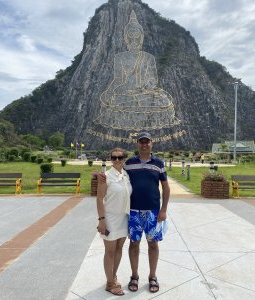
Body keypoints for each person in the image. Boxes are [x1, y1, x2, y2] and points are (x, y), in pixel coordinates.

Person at [94, 10, 180, 130]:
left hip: (144, 92)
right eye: (131, 32)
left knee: (163, 101)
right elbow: (118, 79)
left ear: (141, 35)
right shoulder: (120, 57)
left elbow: (153, 79)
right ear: (126, 36)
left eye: (136, 32)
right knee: (117, 102)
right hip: (126, 91)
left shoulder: (149, 57)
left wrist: (146, 86)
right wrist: (109, 91)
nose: (134, 35)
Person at [125, 132, 170, 293]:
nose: (144, 144)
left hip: (153, 212)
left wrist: (163, 209)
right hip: (134, 211)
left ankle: (152, 276)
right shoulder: (129, 163)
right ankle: (134, 276)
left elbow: (165, 187)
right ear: (137, 144)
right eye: (141, 142)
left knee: (153, 244)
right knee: (134, 244)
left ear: (152, 143)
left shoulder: (158, 163)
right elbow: (120, 181)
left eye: (147, 142)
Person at [96, 148, 132, 296]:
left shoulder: (126, 175)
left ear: (124, 158)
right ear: (110, 159)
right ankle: (110, 283)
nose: (117, 160)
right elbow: (99, 199)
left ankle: (113, 276)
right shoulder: (106, 177)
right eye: (114, 157)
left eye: (120, 157)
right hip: (109, 218)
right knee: (109, 251)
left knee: (118, 249)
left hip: (123, 218)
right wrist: (101, 220)